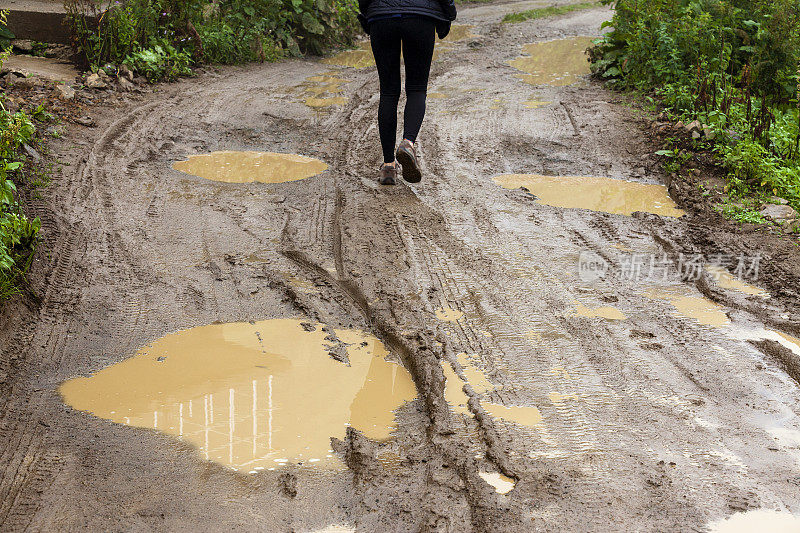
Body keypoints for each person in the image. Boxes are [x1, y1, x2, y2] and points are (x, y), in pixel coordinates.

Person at [358, 0, 457, 185]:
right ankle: (408, 143)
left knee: (388, 91)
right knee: (417, 89)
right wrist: (449, 12)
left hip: (382, 18)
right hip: (420, 17)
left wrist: (368, 11)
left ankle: (388, 166)